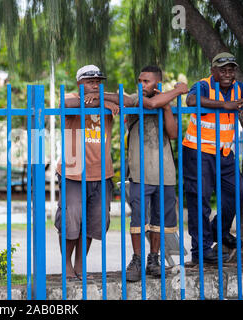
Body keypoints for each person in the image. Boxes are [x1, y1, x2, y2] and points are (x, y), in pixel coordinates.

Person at [183, 52, 243, 264]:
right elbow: (191, 99)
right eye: (222, 69)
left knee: (238, 194)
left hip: (225, 153)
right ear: (213, 70)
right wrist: (225, 105)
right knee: (200, 201)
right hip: (198, 152)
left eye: (231, 69)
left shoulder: (239, 88)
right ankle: (201, 251)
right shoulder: (204, 85)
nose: (227, 73)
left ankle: (218, 231)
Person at [120, 65, 188, 282]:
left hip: (165, 171)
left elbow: (174, 134)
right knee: (139, 220)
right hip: (140, 172)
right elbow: (151, 103)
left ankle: (153, 259)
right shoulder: (135, 98)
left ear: (157, 83)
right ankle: (137, 260)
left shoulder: (165, 102)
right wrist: (178, 90)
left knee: (160, 220)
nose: (141, 85)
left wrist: (167, 106)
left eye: (146, 81)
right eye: (140, 80)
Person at [55, 65, 119, 281]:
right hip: (74, 171)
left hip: (101, 172)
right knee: (70, 221)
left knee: (93, 223)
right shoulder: (73, 97)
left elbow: (130, 101)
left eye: (99, 81)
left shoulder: (107, 99)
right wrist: (104, 101)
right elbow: (65, 104)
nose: (95, 84)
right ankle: (67, 267)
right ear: (79, 83)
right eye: (90, 81)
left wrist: (102, 99)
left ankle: (80, 266)